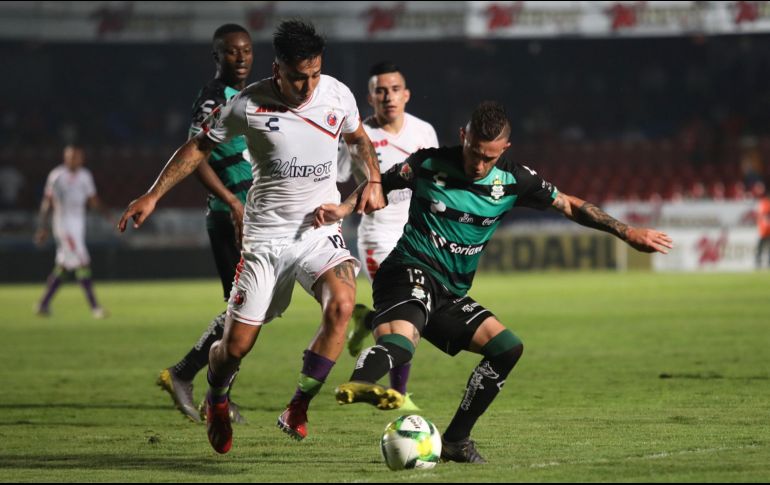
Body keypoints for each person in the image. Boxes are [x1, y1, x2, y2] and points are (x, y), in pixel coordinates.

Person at [314, 101, 673, 463]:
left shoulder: (515, 180)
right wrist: (343, 209)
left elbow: (567, 204)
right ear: (463, 137)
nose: (479, 164)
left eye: (489, 157)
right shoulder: (428, 163)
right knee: (403, 342)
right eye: (473, 152)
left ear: (505, 149)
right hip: (408, 269)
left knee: (506, 348)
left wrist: (626, 231)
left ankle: (456, 441)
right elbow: (377, 184)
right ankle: (362, 381)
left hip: (450, 292)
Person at [118, 20, 385, 454]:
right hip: (266, 239)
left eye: (315, 74)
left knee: (342, 304)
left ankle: (297, 407)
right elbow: (199, 147)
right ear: (278, 69)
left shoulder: (337, 95)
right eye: (298, 77)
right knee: (237, 346)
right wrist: (153, 194)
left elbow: (357, 139)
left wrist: (372, 178)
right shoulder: (248, 104)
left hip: (318, 232)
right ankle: (217, 396)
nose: (308, 86)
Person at [156, 23, 254, 425]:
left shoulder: (247, 96)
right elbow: (195, 157)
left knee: (249, 309)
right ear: (217, 56)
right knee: (247, 309)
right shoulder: (214, 99)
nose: (241, 57)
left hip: (250, 214)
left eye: (246, 50)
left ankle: (212, 391)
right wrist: (231, 201)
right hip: (230, 217)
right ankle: (188, 377)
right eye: (232, 51)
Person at [337, 61, 439, 411]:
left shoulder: (424, 131)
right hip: (377, 234)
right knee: (400, 312)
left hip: (415, 235)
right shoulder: (358, 136)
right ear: (370, 98)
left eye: (395, 90)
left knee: (415, 311)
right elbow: (335, 176)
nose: (388, 97)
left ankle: (366, 320)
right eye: (381, 91)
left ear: (406, 94)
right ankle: (399, 395)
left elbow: (435, 181)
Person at [35, 145, 109, 318]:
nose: (74, 160)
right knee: (83, 262)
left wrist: (109, 216)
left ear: (82, 159)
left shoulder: (85, 176)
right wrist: (42, 227)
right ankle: (95, 308)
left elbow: (93, 200)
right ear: (65, 158)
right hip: (64, 226)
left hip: (78, 226)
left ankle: (43, 304)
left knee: (63, 266)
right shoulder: (57, 176)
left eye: (77, 157)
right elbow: (47, 202)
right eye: (71, 156)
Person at [753, 181, 770, 269]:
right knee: (762, 244)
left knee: (762, 245)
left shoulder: (763, 203)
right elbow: (765, 215)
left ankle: (760, 260)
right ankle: (758, 260)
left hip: (765, 228)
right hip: (764, 228)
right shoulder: (765, 203)